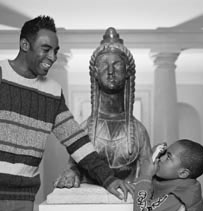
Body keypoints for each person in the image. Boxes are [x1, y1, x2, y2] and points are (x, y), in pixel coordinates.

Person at [0, 15, 133, 211]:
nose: (52, 57)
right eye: (46, 49)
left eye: (56, 51)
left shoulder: (52, 92)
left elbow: (77, 142)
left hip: (21, 199)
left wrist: (108, 178)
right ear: (25, 45)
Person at [55, 27, 151, 187]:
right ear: (95, 73)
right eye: (104, 65)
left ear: (128, 72)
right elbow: (74, 166)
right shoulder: (85, 129)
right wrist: (71, 172)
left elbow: (147, 172)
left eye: (117, 64)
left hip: (126, 201)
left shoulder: (138, 131)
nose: (111, 71)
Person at [133, 139, 203, 211]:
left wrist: (145, 176)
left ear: (183, 173)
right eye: (164, 153)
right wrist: (152, 155)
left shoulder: (178, 200)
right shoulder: (167, 180)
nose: (160, 158)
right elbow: (145, 190)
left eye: (168, 157)